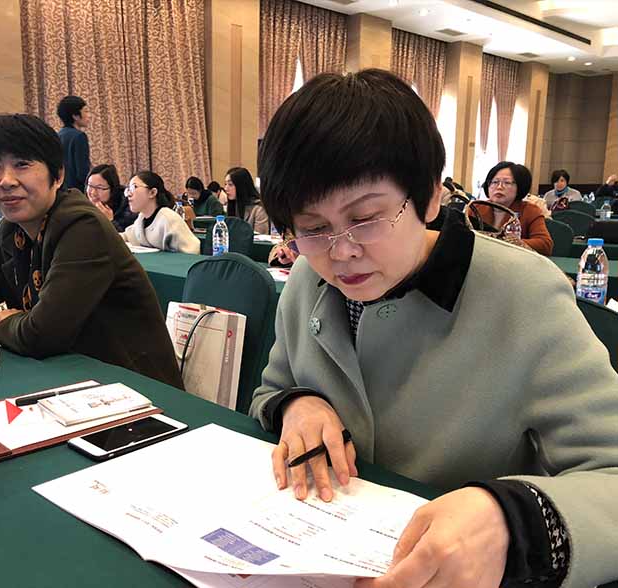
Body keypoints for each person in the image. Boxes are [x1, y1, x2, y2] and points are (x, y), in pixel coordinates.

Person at [250, 69, 618, 588]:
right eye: (313, 228)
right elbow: (271, 389)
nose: (342, 251)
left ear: (428, 197)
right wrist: (299, 404)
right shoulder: (307, 281)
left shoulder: (521, 293)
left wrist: (512, 519)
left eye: (366, 218)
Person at [0, 114, 182, 389]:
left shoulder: (83, 226)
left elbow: (42, 334)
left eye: (22, 165)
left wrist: (3, 320)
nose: (6, 180)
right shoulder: (12, 228)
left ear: (57, 175)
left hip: (135, 390)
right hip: (72, 380)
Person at [478, 161, 553, 255]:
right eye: (495, 182)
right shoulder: (477, 208)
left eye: (507, 182)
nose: (499, 187)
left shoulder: (530, 211)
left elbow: (545, 245)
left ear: (520, 187)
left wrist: (506, 242)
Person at [121, 170, 200, 254]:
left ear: (152, 192)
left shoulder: (168, 218)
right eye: (128, 189)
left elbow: (193, 251)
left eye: (134, 187)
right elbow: (127, 236)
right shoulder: (141, 219)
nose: (128, 194)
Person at [86, 163, 137, 232]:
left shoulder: (130, 206)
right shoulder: (82, 203)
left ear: (113, 190)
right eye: (90, 186)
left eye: (100, 188)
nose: (93, 193)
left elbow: (126, 236)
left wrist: (110, 221)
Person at [57, 96, 91, 192]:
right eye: (85, 111)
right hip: (77, 191)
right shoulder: (79, 136)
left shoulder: (58, 135)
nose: (89, 115)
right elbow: (82, 173)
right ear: (75, 116)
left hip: (62, 190)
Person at [224, 167, 270, 234]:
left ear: (241, 186)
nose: (226, 188)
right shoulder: (233, 205)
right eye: (225, 184)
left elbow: (260, 237)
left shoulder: (258, 209)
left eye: (230, 184)